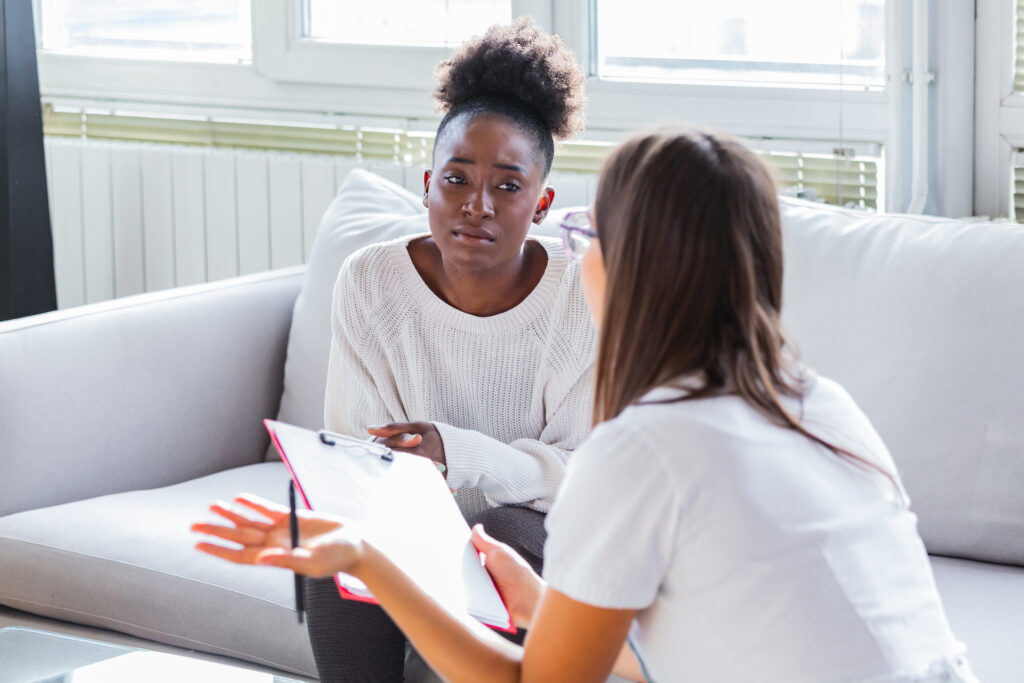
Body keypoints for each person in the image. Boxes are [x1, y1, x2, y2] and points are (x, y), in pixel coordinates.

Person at [194, 127, 976, 682]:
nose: (583, 257)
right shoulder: (818, 403)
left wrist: (366, 560)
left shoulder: (642, 449)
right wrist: (544, 606)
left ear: (635, 266)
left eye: (592, 235)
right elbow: (708, 647)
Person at [291, 18, 593, 682]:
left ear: (541, 202)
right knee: (336, 544)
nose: (477, 205)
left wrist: (453, 451)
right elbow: (353, 450)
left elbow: (579, 478)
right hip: (413, 527)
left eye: (507, 186)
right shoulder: (370, 280)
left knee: (502, 535)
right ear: (428, 182)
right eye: (456, 179)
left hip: (536, 536)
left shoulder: (580, 295)